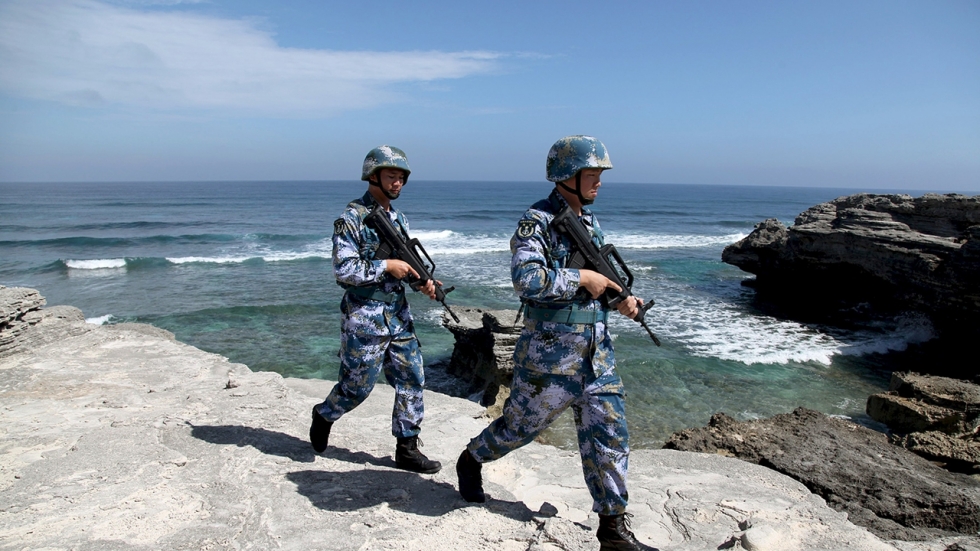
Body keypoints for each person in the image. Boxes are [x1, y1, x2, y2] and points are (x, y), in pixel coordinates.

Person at [455, 136, 654, 551]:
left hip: (597, 355)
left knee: (610, 435)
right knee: (519, 428)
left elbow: (602, 280)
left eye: (600, 175)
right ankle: (471, 459)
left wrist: (622, 301)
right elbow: (526, 280)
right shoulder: (537, 221)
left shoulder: (589, 223)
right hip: (550, 355)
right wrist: (582, 278)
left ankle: (612, 528)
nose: (599, 182)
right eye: (593, 175)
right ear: (568, 176)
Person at [309, 145, 441, 474]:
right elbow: (344, 270)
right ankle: (324, 414)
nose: (397, 183)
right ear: (373, 176)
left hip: (398, 315)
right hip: (365, 316)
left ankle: (407, 448)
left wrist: (423, 283)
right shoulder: (350, 218)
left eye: (401, 178)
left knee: (413, 379)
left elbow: (406, 263)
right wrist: (385, 266)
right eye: (391, 176)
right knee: (357, 387)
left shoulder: (398, 218)